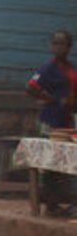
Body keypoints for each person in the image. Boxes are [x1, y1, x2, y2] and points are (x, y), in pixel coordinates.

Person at [25, 28, 77, 215]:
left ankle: (68, 202)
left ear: (69, 47)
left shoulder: (71, 69)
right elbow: (31, 87)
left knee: (68, 162)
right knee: (49, 162)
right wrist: (50, 99)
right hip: (50, 121)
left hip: (67, 121)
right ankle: (50, 204)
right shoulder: (47, 68)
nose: (58, 47)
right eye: (55, 43)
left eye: (62, 44)